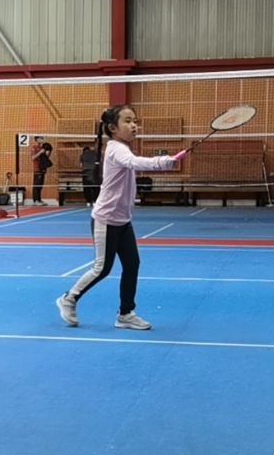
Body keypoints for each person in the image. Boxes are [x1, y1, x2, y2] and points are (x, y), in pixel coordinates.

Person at [57, 106, 187, 331]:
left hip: (123, 220)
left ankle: (126, 314)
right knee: (102, 268)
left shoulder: (122, 148)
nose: (134, 125)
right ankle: (69, 298)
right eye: (127, 121)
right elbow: (135, 162)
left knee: (132, 264)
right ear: (113, 128)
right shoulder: (116, 149)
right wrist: (163, 162)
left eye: (135, 120)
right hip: (106, 219)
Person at [31, 141, 54, 206]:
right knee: (37, 185)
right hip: (37, 170)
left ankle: (39, 199)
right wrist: (40, 152)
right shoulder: (35, 149)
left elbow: (47, 157)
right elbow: (33, 158)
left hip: (42, 170)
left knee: (40, 185)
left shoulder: (43, 153)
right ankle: (35, 200)